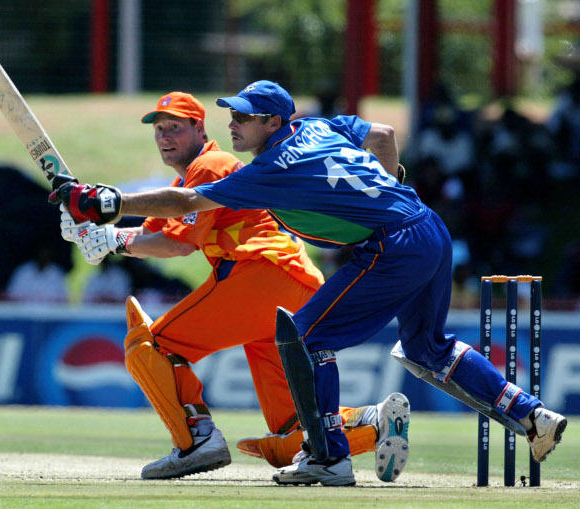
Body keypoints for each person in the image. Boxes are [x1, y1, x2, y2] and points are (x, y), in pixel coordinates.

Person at [54, 91, 411, 483]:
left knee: (154, 347)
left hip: (261, 274)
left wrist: (113, 238)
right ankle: (374, 423)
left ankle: (196, 440)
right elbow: (151, 233)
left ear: (199, 129)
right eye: (159, 129)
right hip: (292, 285)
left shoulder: (210, 165)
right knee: (292, 434)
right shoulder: (187, 179)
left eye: (175, 127)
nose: (164, 136)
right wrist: (98, 233)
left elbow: (177, 244)